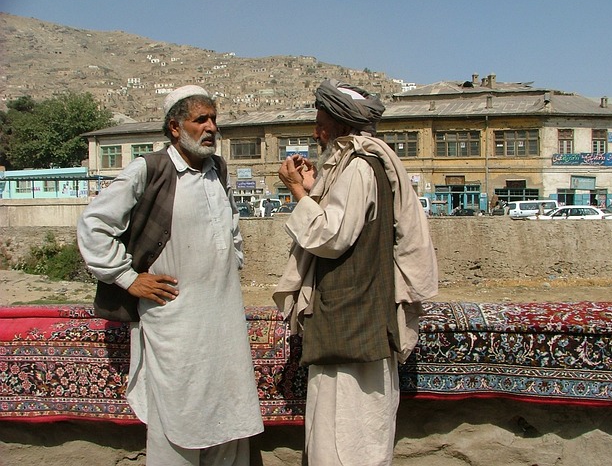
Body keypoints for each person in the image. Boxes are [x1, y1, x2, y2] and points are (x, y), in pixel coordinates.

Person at [77, 85, 263, 465]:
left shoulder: (219, 170)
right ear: (175, 127)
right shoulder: (150, 169)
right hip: (174, 322)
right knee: (176, 411)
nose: (211, 127)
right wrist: (128, 278)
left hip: (222, 319)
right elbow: (94, 225)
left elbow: (231, 227)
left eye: (214, 119)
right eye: (201, 120)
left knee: (227, 409)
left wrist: (230, 259)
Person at [273, 79, 438, 465]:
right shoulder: (362, 165)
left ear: (341, 125)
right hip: (358, 321)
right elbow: (344, 219)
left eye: (321, 123)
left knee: (344, 436)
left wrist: (298, 191)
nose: (316, 133)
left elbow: (329, 236)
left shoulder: (359, 167)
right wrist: (316, 187)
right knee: (353, 430)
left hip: (351, 323)